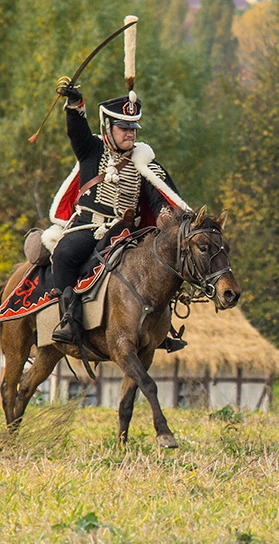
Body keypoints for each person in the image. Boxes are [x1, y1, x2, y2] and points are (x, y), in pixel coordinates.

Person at [50, 80, 189, 345]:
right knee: (65, 254)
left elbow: (157, 201)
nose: (130, 134)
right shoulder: (91, 150)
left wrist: (166, 219)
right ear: (108, 128)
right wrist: (75, 106)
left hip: (127, 232)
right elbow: (76, 131)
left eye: (133, 128)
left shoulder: (144, 165)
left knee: (162, 262)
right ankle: (69, 319)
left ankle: (161, 327)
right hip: (89, 228)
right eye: (124, 128)